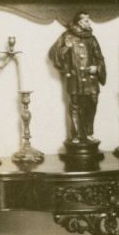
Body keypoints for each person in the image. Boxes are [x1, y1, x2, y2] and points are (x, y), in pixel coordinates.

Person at [49, 11, 106, 143]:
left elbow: (100, 58)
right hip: (75, 78)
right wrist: (66, 48)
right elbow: (54, 55)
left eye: (88, 20)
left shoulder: (92, 38)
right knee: (75, 106)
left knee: (92, 103)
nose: (88, 23)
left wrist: (97, 68)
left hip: (91, 80)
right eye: (86, 20)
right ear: (79, 22)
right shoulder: (66, 36)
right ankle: (75, 135)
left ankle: (89, 132)